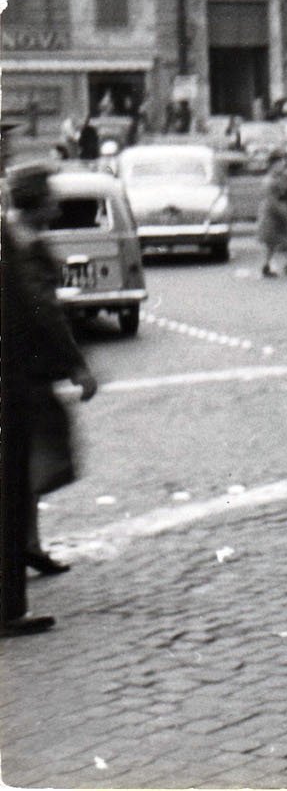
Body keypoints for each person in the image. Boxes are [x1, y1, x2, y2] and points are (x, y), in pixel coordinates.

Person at [2, 164, 100, 637]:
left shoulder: (20, 239)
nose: (58, 208)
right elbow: (40, 309)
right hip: (19, 376)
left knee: (25, 470)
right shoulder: (17, 245)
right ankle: (14, 581)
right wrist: (77, 365)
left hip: (26, 374)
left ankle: (27, 545)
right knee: (23, 471)